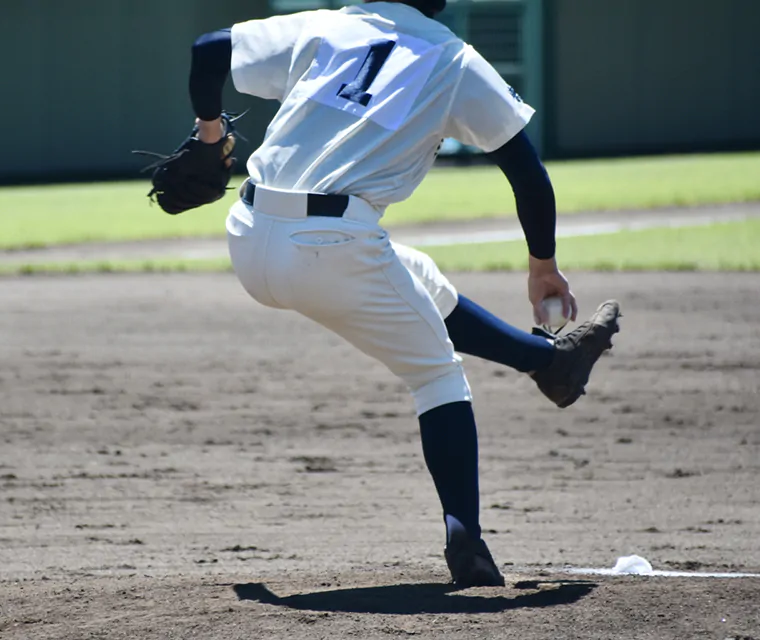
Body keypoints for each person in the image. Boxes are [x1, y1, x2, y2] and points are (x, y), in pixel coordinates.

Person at [183, 0, 620, 587]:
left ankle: (550, 362)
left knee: (419, 278)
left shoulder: (332, 23)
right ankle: (466, 537)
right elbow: (526, 170)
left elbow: (209, 50)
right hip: (332, 248)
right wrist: (543, 265)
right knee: (439, 377)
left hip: (248, 236)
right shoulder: (454, 59)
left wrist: (211, 138)